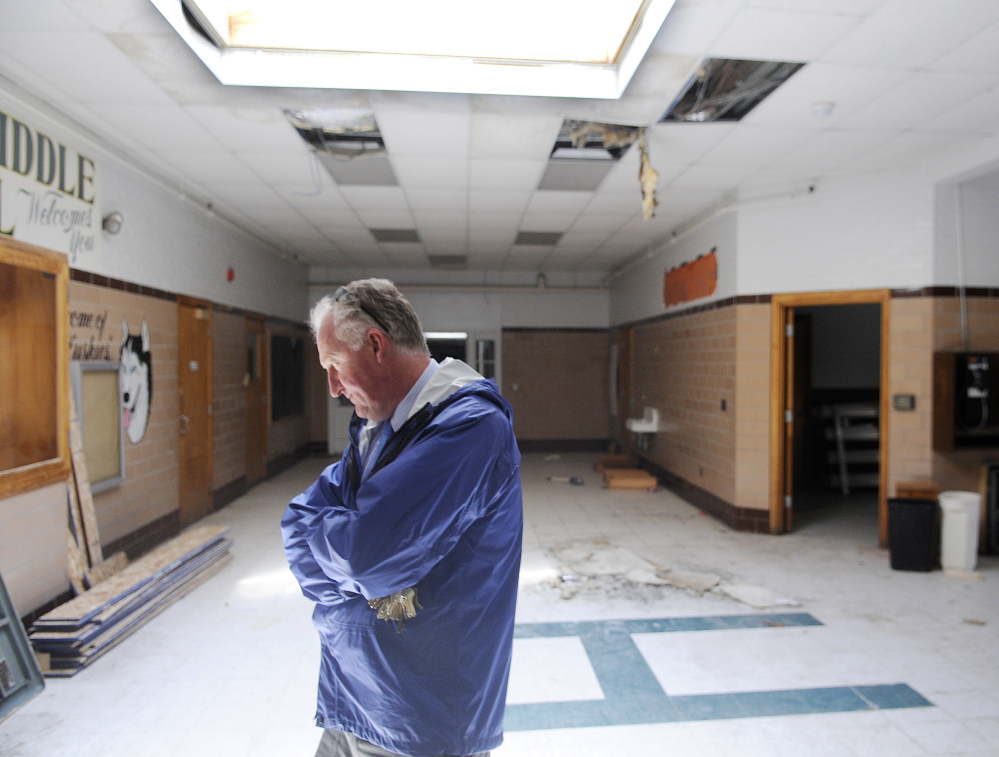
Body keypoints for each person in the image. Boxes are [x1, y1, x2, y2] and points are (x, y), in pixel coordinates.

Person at [282, 279, 523, 757]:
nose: (332, 387)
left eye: (334, 365)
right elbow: (298, 522)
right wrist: (348, 568)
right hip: (348, 699)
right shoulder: (378, 430)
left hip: (417, 720)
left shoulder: (469, 427)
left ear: (375, 345)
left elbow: (366, 558)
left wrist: (347, 566)